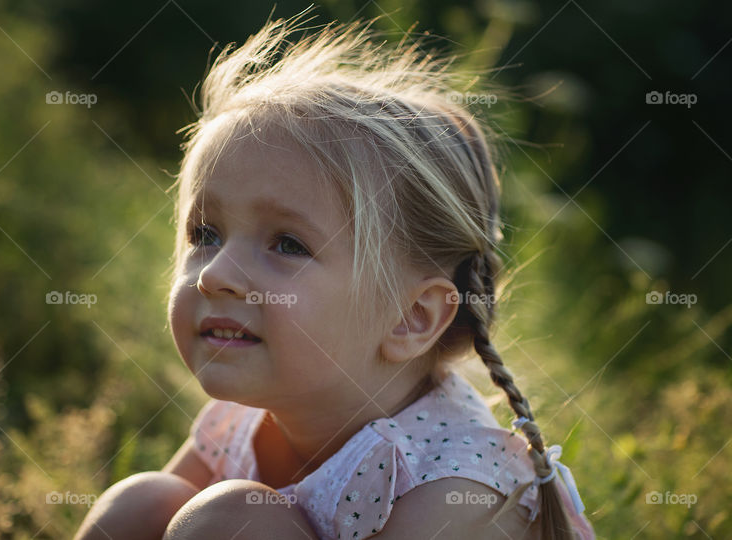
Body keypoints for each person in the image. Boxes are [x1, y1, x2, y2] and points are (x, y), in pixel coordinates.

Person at [76, 11, 596, 540]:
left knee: (232, 521)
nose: (217, 273)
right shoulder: (240, 418)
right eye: (206, 234)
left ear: (410, 317)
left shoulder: (451, 492)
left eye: (288, 244)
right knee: (146, 503)